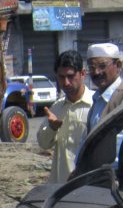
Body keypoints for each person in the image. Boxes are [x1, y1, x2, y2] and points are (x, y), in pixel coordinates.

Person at [36, 50, 94, 183]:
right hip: (59, 185)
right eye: (61, 77)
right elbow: (44, 144)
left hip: (87, 185)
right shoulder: (57, 108)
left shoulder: (94, 105)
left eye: (70, 76)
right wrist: (51, 127)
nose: (66, 82)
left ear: (83, 74)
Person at [85, 42, 123, 165]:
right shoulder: (97, 99)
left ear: (118, 65)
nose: (97, 72)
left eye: (102, 66)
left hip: (112, 177)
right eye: (92, 67)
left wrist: (101, 173)